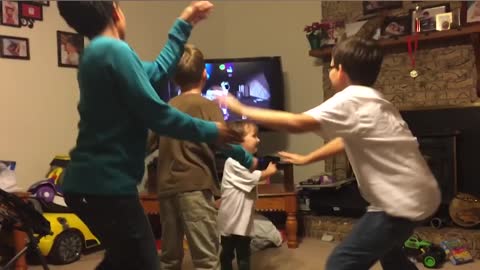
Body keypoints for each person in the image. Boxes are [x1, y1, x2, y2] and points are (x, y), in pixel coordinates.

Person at [217, 37, 441, 270]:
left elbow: (298, 122)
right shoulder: (374, 99)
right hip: (420, 193)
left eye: (331, 66)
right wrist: (308, 158)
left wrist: (241, 109)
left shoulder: (352, 98)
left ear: (340, 70)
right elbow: (346, 140)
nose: (330, 71)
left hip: (399, 203)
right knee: (389, 253)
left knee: (341, 263)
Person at [56, 2, 251, 270]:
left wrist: (184, 23)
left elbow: (157, 72)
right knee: (143, 262)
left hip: (88, 186)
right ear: (116, 12)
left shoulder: (98, 54)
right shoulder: (114, 51)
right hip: (106, 187)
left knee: (121, 259)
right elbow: (158, 115)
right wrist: (213, 131)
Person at [149, 44, 255, 270]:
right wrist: (248, 159)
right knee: (206, 259)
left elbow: (146, 144)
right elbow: (225, 143)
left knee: (169, 256)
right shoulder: (208, 107)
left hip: (167, 189)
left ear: (175, 79)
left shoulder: (165, 108)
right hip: (196, 188)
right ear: (204, 74)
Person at [217, 120, 277, 270]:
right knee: (227, 253)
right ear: (238, 140)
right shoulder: (232, 161)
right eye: (254, 136)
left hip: (243, 220)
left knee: (244, 253)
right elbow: (249, 178)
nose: (259, 139)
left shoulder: (244, 162)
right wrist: (266, 173)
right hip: (230, 220)